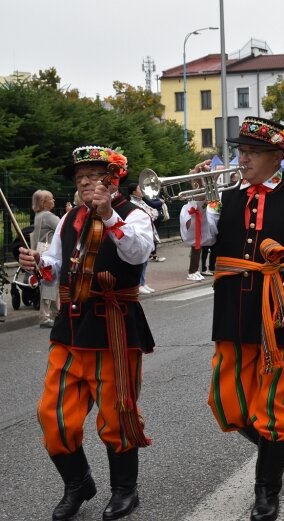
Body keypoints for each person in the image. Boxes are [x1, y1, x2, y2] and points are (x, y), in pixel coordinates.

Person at [180, 117, 284, 521]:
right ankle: (275, 450)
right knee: (225, 403)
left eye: (252, 152)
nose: (243, 158)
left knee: (272, 407)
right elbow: (196, 238)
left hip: (283, 309)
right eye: (241, 151)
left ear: (277, 156)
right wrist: (198, 202)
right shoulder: (225, 196)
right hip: (233, 309)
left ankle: (266, 489)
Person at [18, 146, 155, 520]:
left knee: (117, 415)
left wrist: (109, 216)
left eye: (94, 177)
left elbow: (138, 253)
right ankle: (78, 483)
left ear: (114, 180)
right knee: (53, 416)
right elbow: (58, 266)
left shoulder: (135, 214)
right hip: (71, 330)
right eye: (81, 179)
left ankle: (125, 490)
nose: (85, 185)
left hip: (114, 330)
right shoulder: (71, 217)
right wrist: (38, 263)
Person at [30, 190, 61, 327]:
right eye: (51, 199)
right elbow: (62, 226)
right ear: (44, 203)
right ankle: (45, 316)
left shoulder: (38, 215)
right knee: (50, 283)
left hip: (40, 251)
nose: (53, 201)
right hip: (47, 253)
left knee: (50, 283)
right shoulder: (48, 216)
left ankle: (57, 312)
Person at [127, 182, 159, 294]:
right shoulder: (133, 203)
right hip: (140, 233)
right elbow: (148, 214)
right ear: (134, 192)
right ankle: (138, 284)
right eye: (139, 189)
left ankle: (143, 282)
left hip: (148, 231)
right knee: (141, 261)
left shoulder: (141, 202)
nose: (142, 190)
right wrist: (149, 215)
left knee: (145, 260)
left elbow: (154, 213)